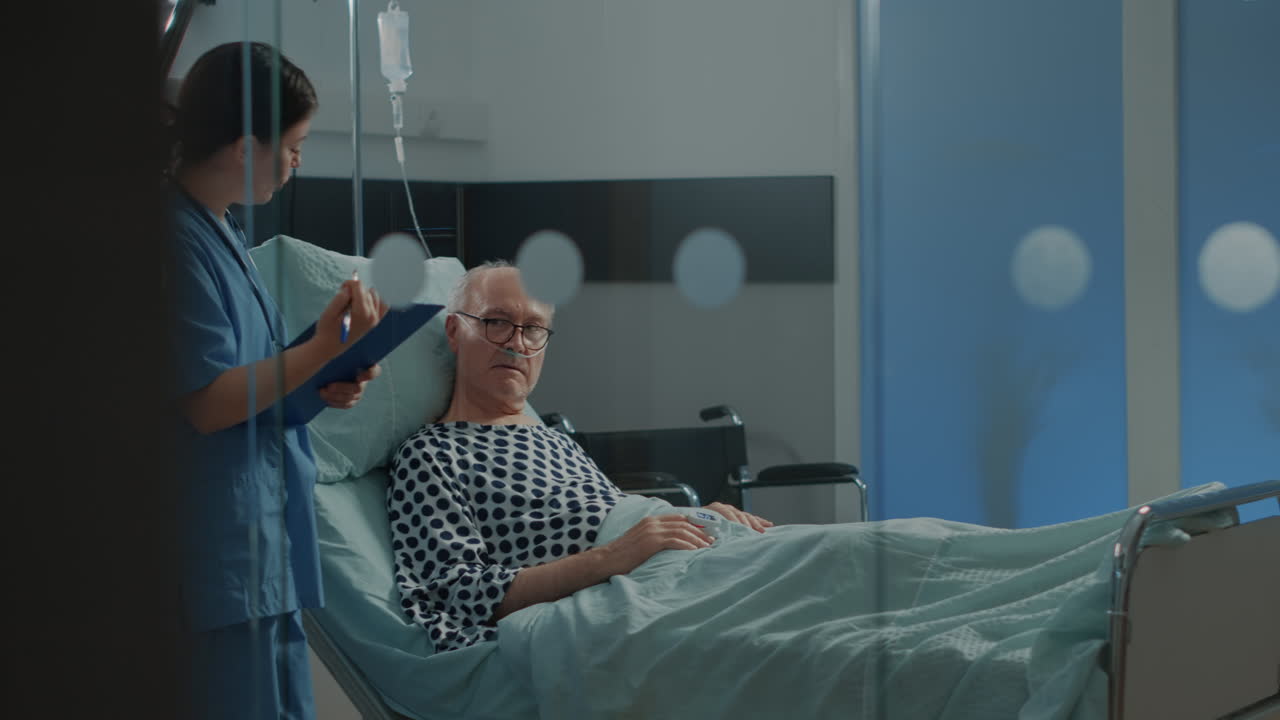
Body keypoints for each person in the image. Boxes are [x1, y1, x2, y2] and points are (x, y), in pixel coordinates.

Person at [166, 42, 388, 719]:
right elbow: (206, 403)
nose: (297, 162)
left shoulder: (223, 236)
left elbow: (251, 382)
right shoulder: (173, 243)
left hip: (263, 555)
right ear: (243, 146)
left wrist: (324, 376)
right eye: (292, 146)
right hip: (220, 561)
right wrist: (322, 348)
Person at [387, 261, 772, 652]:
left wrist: (703, 516)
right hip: (629, 586)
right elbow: (455, 595)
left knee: (822, 556)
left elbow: (618, 516)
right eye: (496, 322)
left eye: (533, 328)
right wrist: (609, 557)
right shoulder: (431, 454)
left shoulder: (558, 442)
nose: (517, 342)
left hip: (689, 548)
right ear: (454, 331)